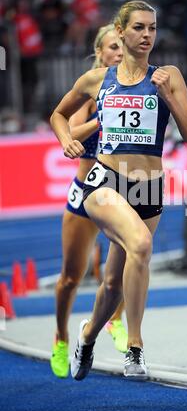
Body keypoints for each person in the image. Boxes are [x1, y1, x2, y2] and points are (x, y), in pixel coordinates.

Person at [50, 0, 187, 380]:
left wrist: (169, 96)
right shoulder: (97, 79)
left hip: (148, 189)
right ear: (120, 31)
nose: (147, 35)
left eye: (152, 28)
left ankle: (87, 336)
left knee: (114, 283)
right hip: (103, 181)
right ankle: (134, 348)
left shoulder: (168, 76)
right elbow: (58, 114)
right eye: (138, 28)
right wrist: (66, 139)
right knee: (141, 246)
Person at [50, 24, 128, 379]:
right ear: (100, 53)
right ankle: (62, 336)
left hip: (122, 189)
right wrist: (102, 119)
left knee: (128, 260)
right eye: (113, 47)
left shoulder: (136, 84)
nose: (120, 52)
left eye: (122, 45)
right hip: (86, 191)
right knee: (70, 277)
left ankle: (115, 321)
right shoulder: (94, 85)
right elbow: (69, 126)